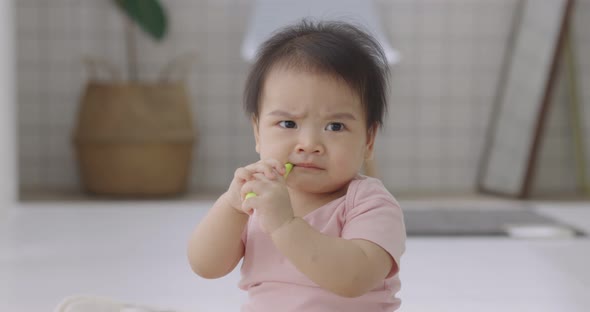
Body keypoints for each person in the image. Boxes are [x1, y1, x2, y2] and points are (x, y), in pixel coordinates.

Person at [187, 19, 406, 312]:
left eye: (335, 126)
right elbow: (205, 265)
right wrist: (231, 206)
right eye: (288, 123)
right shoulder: (258, 197)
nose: (309, 143)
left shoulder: (370, 204)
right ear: (257, 132)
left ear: (368, 139)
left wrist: (285, 224)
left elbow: (354, 278)